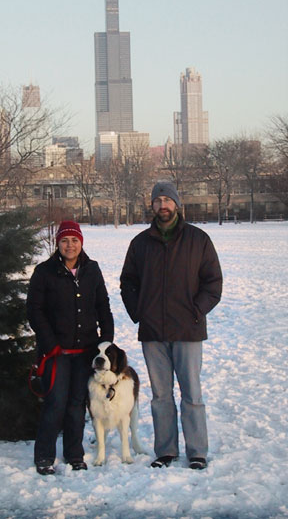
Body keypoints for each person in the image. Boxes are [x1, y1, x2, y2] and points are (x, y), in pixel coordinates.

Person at [120, 181, 222, 470]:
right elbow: (128, 282)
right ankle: (165, 451)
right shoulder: (140, 244)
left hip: (188, 330)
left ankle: (197, 452)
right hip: (153, 333)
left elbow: (213, 282)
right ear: (151, 205)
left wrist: (197, 310)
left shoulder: (198, 240)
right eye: (157, 200)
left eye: (167, 199)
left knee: (192, 394)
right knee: (161, 396)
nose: (162, 205)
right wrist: (139, 311)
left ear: (177, 204)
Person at [27, 220, 114, 475]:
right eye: (65, 240)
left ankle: (74, 454)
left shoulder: (92, 269)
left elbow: (103, 307)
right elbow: (34, 310)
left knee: (77, 403)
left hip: (85, 352)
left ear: (81, 242)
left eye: (74, 240)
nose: (70, 245)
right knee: (55, 402)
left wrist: (105, 342)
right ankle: (44, 455)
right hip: (56, 352)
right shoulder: (44, 272)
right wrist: (49, 343)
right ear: (58, 243)